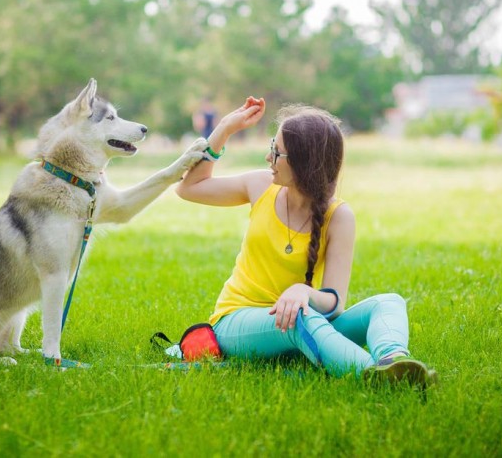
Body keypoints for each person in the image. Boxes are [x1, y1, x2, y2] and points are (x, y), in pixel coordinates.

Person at [176, 97, 437, 386]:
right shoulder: (260, 186)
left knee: (389, 302)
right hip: (237, 321)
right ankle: (375, 375)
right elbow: (189, 188)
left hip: (300, 319)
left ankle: (393, 360)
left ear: (304, 162)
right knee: (301, 319)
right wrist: (224, 129)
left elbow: (334, 303)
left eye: (277, 151)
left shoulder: (339, 216)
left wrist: (304, 292)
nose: (268, 158)